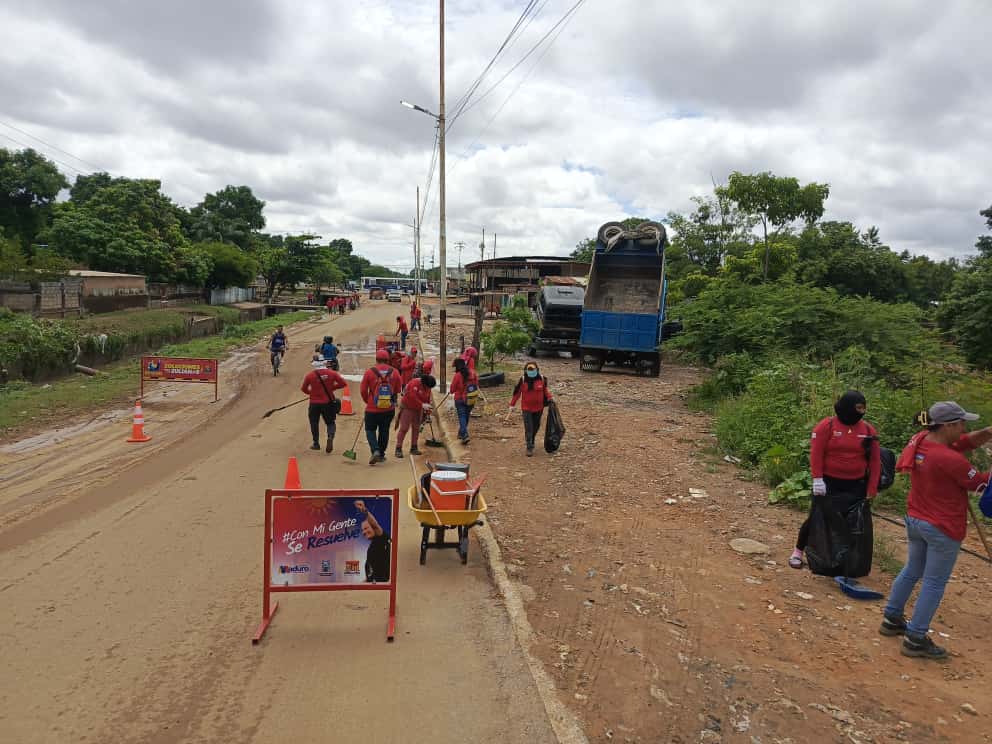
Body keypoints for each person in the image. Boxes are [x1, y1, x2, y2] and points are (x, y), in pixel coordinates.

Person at [880, 401, 992, 659]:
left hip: (917, 519)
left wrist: (986, 433)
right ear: (949, 425)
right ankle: (916, 638)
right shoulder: (950, 460)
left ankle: (891, 618)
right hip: (942, 527)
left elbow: (962, 442)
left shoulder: (921, 439)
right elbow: (980, 484)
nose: (964, 427)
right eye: (961, 423)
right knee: (933, 582)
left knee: (912, 570)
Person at [789, 391, 881, 569]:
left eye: (864, 408)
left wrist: (872, 487)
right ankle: (798, 551)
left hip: (855, 485)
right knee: (817, 518)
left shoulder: (868, 430)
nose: (862, 412)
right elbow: (816, 454)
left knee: (849, 523)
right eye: (858, 408)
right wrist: (817, 479)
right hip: (828, 483)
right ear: (847, 407)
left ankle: (840, 558)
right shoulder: (827, 426)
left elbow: (875, 461)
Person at [360, 349, 403, 465]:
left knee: (370, 430)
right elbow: (399, 389)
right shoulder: (394, 372)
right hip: (388, 408)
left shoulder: (369, 372)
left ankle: (375, 450)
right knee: (384, 430)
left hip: (372, 408)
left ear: (376, 359)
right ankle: (382, 454)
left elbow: (363, 390)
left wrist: (368, 401)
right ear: (387, 359)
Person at [300, 358, 348, 452]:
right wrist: (332, 388)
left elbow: (304, 388)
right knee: (330, 422)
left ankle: (316, 443)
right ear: (325, 364)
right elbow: (343, 383)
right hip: (327, 403)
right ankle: (330, 436)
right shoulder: (332, 373)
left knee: (314, 423)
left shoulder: (310, 375)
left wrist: (312, 393)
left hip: (314, 403)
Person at [508, 361, 553, 456]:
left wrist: (550, 398)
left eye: (533, 369)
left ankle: (531, 439)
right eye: (529, 369)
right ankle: (529, 447)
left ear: (537, 370)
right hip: (526, 408)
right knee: (529, 428)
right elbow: (517, 393)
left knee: (536, 426)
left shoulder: (541, 379)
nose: (531, 371)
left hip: (539, 408)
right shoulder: (523, 380)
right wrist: (512, 405)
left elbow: (545, 390)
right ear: (526, 370)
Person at [395, 373, 435, 458]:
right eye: (428, 387)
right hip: (407, 407)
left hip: (418, 409)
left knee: (416, 428)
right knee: (404, 428)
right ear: (425, 383)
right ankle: (398, 448)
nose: (429, 389)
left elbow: (427, 398)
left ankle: (414, 447)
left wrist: (427, 409)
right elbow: (411, 396)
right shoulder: (414, 383)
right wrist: (422, 404)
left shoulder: (428, 387)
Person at [355, 499, 391, 583]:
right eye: (363, 530)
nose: (364, 532)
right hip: (374, 583)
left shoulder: (381, 539)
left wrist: (365, 511)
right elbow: (372, 572)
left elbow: (375, 525)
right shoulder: (373, 545)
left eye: (366, 528)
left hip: (381, 585)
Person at [450, 357, 479, 444]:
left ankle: (465, 435)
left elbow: (452, 390)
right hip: (471, 398)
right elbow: (477, 385)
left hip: (460, 399)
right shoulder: (473, 373)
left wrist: (453, 390)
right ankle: (461, 433)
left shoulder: (458, 375)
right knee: (466, 416)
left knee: (462, 416)